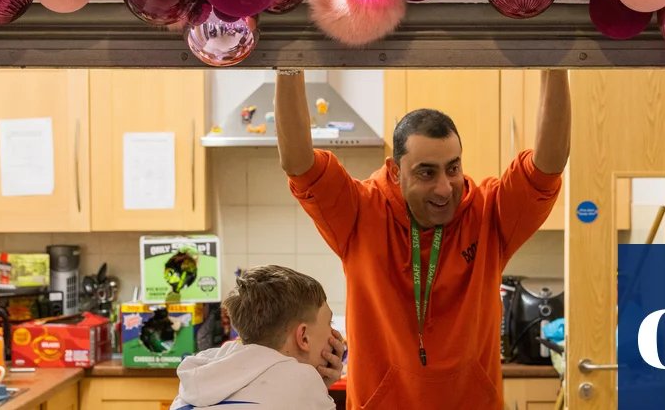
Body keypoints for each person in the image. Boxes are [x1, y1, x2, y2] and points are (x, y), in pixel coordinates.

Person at [275, 68, 571, 409]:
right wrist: (289, 64)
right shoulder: (360, 212)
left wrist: (555, 63)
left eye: (453, 168)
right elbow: (298, 164)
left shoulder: (489, 213)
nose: (444, 188)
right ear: (395, 171)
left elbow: (548, 166)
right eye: (426, 172)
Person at [170, 265, 344, 410]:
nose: (334, 333)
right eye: (330, 323)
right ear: (303, 337)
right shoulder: (303, 382)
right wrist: (317, 389)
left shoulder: (202, 370)